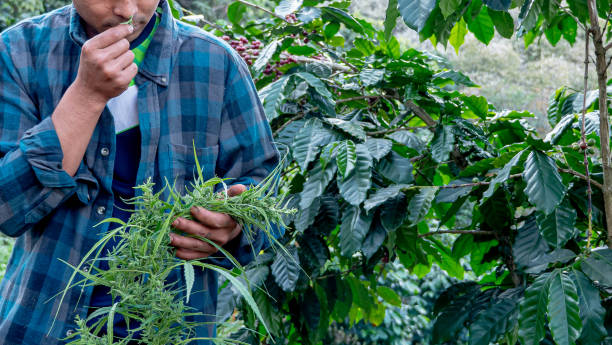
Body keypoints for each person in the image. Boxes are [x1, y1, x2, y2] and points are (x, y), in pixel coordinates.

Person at [0, 0, 280, 344]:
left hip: (172, 330)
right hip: (41, 327)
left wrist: (236, 224)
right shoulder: (20, 51)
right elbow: (7, 208)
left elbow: (263, 187)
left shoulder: (217, 64)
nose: (126, 9)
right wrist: (86, 95)